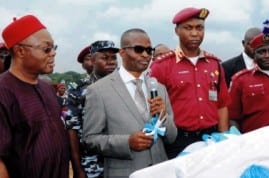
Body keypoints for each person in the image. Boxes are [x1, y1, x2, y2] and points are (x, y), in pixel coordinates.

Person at [83, 28, 177, 178]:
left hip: (161, 171)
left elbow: (172, 137)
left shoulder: (159, 88)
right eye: (139, 49)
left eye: (149, 50)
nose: (145, 55)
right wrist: (127, 142)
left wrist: (164, 118)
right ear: (122, 53)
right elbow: (90, 139)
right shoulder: (99, 91)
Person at [150, 7, 230, 159]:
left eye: (199, 28)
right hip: (177, 140)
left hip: (211, 137)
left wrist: (223, 136)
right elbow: (152, 108)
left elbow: (222, 104)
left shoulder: (214, 64)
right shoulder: (162, 66)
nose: (195, 33)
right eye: (188, 28)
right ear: (177, 31)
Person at [0, 14, 69, 178]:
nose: (53, 54)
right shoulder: (3, 92)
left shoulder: (46, 88)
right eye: (46, 49)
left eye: (54, 48)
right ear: (20, 51)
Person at [65, 40, 119, 178]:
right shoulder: (77, 90)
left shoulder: (125, 86)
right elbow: (72, 131)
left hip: (122, 161)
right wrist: (77, 169)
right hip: (92, 164)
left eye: (114, 58)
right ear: (93, 60)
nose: (111, 62)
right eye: (105, 58)